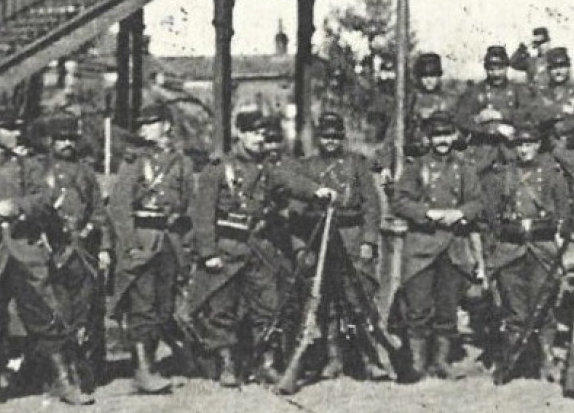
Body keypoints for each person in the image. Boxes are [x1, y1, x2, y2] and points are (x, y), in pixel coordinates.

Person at [0, 105, 91, 407]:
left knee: (44, 315)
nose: (16, 134)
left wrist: (19, 206)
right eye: (9, 129)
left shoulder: (28, 166)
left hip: (23, 250)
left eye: (17, 128)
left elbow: (45, 198)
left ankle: (64, 382)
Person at [187, 110, 335, 388]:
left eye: (262, 134)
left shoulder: (267, 168)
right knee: (221, 310)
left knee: (269, 306)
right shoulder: (217, 169)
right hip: (226, 247)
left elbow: (291, 182)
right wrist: (207, 253)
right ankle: (228, 366)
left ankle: (266, 364)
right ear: (239, 134)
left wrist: (317, 191)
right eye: (253, 133)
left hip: (258, 247)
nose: (258, 139)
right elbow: (202, 215)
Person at [279, 111, 388, 389]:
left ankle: (369, 359)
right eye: (326, 136)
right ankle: (332, 358)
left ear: (343, 137)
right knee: (323, 300)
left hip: (351, 236)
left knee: (358, 298)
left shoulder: (356, 164)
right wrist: (303, 247)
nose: (331, 141)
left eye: (336, 136)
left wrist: (368, 241)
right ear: (319, 138)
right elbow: (295, 207)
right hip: (319, 236)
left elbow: (371, 205)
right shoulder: (306, 167)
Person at [105, 103, 197, 394]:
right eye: (142, 124)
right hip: (142, 239)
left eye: (151, 122)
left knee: (163, 305)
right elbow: (120, 208)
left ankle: (154, 365)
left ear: (166, 126)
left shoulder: (180, 162)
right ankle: (143, 371)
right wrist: (130, 246)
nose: (144, 128)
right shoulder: (132, 160)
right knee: (141, 305)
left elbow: (186, 203)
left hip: (168, 240)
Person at [391, 116, 485, 381]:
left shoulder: (465, 168)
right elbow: (399, 201)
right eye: (436, 136)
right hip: (421, 246)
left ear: (453, 137)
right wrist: (427, 213)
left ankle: (441, 361)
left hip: (453, 246)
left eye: (446, 135)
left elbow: (477, 202)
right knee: (418, 307)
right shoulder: (415, 168)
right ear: (428, 139)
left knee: (447, 307)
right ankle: (418, 362)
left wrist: (460, 213)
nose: (442, 141)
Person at [482, 121, 571, 380]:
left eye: (529, 144)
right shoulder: (502, 176)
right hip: (511, 249)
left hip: (542, 249)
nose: (524, 150)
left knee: (543, 307)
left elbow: (564, 212)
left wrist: (551, 227)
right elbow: (491, 215)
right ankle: (513, 362)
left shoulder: (553, 174)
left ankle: (547, 361)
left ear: (538, 146)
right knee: (515, 310)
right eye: (520, 145)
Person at [35, 114, 107, 390]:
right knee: (56, 313)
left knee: (84, 314)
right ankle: (54, 373)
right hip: (51, 252)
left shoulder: (86, 174)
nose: (66, 144)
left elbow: (100, 212)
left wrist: (97, 240)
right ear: (50, 142)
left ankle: (82, 369)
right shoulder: (38, 171)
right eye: (60, 139)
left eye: (70, 139)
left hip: (82, 254)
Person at [456, 44, 528, 177]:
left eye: (500, 69)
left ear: (507, 67)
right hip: (483, 148)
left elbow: (528, 115)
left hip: (511, 148)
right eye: (491, 69)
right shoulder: (475, 91)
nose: (496, 74)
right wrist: (491, 128)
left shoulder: (518, 90)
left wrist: (500, 114)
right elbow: (461, 120)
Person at [528, 47, 574, 171]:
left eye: (562, 66)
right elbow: (536, 116)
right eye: (554, 67)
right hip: (548, 152)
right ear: (548, 70)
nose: (558, 71)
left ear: (568, 68)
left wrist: (554, 115)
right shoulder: (541, 93)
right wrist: (562, 110)